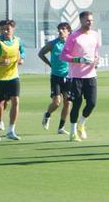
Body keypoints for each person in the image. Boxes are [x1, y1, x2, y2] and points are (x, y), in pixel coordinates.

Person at [60, 11, 101, 142]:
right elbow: (63, 55)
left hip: (91, 75)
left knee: (92, 103)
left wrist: (96, 60)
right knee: (76, 104)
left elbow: (95, 53)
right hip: (76, 77)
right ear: (81, 21)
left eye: (91, 20)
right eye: (87, 20)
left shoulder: (95, 35)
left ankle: (81, 123)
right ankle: (72, 133)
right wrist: (79, 60)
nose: (90, 23)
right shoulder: (74, 37)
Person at [38, 22, 72, 134]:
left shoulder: (72, 43)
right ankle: (47, 115)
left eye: (63, 29)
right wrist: (49, 64)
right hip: (56, 77)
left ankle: (61, 128)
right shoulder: (53, 44)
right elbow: (41, 53)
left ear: (68, 31)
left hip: (68, 77)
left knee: (68, 103)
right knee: (57, 102)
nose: (61, 31)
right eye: (59, 29)